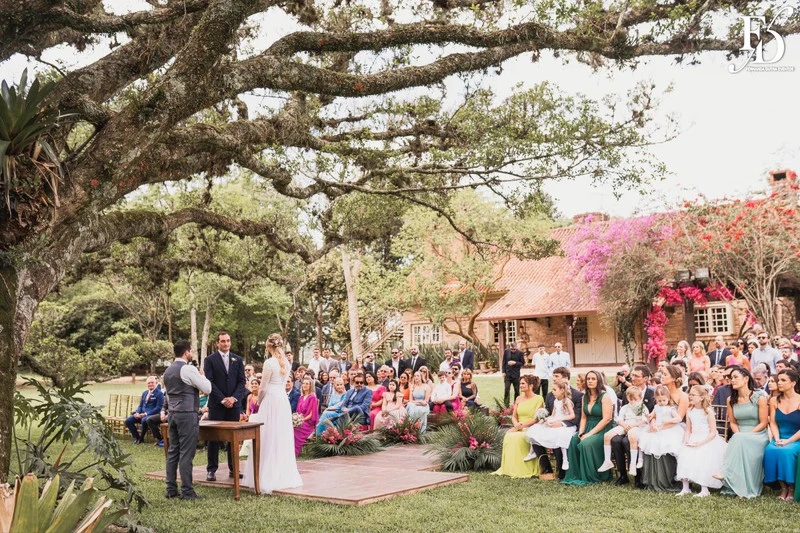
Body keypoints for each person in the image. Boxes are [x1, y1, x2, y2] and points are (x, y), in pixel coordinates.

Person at [241, 333, 302, 493]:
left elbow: (263, 387)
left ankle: (265, 475)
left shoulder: (269, 363)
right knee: (280, 435)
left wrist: (259, 401)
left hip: (271, 400)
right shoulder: (286, 363)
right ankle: (282, 474)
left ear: (269, 346)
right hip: (282, 400)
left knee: (267, 435)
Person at [164, 340, 211, 500]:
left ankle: (171, 489)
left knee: (173, 451)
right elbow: (207, 389)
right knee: (186, 453)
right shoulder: (188, 369)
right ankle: (187, 492)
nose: (191, 354)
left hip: (172, 413)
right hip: (187, 414)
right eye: (191, 351)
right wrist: (202, 377)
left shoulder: (168, 370)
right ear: (186, 352)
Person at [717, 367, 769, 498]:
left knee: (739, 439)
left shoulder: (759, 397)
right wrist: (739, 434)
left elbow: (763, 422)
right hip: (739, 434)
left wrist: (746, 435)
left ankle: (726, 472)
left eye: (735, 377)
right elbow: (733, 422)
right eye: (731, 378)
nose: (732, 380)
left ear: (746, 379)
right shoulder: (731, 400)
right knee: (738, 439)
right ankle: (733, 481)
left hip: (758, 434)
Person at [203, 331, 247, 482]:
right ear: (217, 343)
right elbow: (210, 382)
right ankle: (211, 470)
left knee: (232, 439)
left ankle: (234, 468)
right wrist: (222, 399)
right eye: (223, 341)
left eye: (228, 341)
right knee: (214, 439)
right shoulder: (210, 360)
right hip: (217, 405)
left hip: (233, 406)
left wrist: (234, 398)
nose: (226, 344)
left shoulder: (238, 359)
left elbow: (242, 382)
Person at [530, 366, 584, 479]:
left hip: (569, 426)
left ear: (566, 378)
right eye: (553, 376)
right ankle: (546, 467)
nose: (554, 379)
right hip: (553, 422)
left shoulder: (578, 395)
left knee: (558, 436)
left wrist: (561, 423)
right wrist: (544, 419)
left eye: (557, 376)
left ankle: (562, 470)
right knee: (534, 432)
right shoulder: (550, 395)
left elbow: (577, 416)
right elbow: (550, 412)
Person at [562, 370, 614, 486]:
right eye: (588, 379)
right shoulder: (584, 397)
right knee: (573, 440)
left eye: (593, 379)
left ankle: (592, 476)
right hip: (587, 426)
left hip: (602, 428)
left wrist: (589, 434)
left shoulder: (605, 397)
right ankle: (576, 474)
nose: (590, 381)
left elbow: (606, 419)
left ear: (599, 381)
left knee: (586, 444)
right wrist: (581, 432)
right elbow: (584, 418)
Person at [675, 385, 727, 497]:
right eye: (690, 394)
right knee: (685, 456)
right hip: (693, 437)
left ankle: (704, 489)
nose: (690, 396)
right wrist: (686, 440)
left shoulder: (708, 411)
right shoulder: (690, 410)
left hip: (707, 439)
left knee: (704, 458)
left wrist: (701, 443)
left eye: (693, 395)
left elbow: (713, 432)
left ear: (702, 397)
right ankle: (685, 488)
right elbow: (688, 429)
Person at [609, 365, 655, 486]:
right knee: (615, 440)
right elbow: (624, 412)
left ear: (645, 378)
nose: (632, 378)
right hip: (627, 426)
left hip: (643, 426)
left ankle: (638, 475)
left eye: (636, 376)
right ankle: (623, 475)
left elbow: (652, 414)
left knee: (626, 442)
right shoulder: (627, 393)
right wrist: (624, 425)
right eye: (632, 375)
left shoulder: (652, 393)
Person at [493, 375, 544, 478]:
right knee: (508, 435)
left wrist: (522, 426)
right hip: (518, 426)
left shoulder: (538, 399)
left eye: (523, 383)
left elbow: (536, 418)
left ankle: (525, 469)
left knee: (517, 438)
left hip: (531, 427)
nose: (520, 385)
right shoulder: (518, 398)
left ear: (531, 385)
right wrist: (516, 424)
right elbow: (514, 416)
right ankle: (509, 468)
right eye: (520, 383)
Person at [762, 369, 800, 500]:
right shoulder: (774, 400)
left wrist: (788, 441)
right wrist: (777, 439)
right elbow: (772, 422)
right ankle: (782, 487)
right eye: (779, 380)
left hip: (795, 439)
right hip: (780, 436)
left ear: (793, 383)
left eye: (783, 380)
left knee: (787, 452)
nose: (780, 383)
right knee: (770, 450)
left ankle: (791, 488)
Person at [524, 380, 576, 469]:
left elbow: (572, 415)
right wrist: (546, 420)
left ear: (562, 390)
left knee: (562, 435)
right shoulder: (556, 401)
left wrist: (559, 420)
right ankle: (532, 451)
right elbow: (553, 415)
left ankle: (565, 459)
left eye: (555, 390)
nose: (552, 391)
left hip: (563, 424)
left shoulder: (567, 401)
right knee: (535, 428)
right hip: (555, 420)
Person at [598, 386, 649, 476]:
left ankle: (633, 464)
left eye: (635, 399)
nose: (632, 401)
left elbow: (644, 420)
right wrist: (624, 425)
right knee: (607, 435)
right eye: (630, 399)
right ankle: (607, 461)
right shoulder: (625, 407)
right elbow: (619, 419)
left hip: (637, 426)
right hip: (625, 425)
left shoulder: (642, 407)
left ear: (640, 398)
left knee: (632, 436)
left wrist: (633, 425)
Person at [637, 385, 684, 465]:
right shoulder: (656, 407)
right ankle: (640, 459)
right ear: (656, 399)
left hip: (668, 429)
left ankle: (678, 463)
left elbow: (679, 419)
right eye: (659, 401)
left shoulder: (670, 409)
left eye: (664, 400)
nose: (662, 403)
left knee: (670, 444)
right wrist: (648, 416)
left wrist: (669, 420)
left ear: (668, 398)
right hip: (657, 427)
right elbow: (651, 416)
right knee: (643, 439)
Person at [125, 375, 164, 444]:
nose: (150, 384)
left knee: (144, 420)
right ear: (147, 384)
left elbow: (158, 408)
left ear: (155, 383)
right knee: (128, 420)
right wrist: (137, 412)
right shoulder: (145, 393)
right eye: (149, 383)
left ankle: (141, 438)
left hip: (151, 415)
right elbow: (140, 405)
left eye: (152, 382)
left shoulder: (159, 394)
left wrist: (145, 414)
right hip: (141, 414)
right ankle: (137, 437)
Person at [294, 376, 319, 457]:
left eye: (307, 384)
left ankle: (295, 451)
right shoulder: (300, 398)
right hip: (300, 420)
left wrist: (301, 420)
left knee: (295, 429)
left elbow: (311, 414)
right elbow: (298, 411)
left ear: (310, 386)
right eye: (304, 383)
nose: (305, 385)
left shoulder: (312, 397)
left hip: (308, 422)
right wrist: (296, 419)